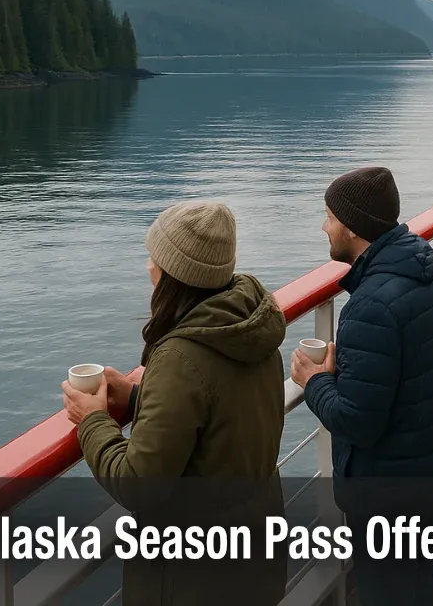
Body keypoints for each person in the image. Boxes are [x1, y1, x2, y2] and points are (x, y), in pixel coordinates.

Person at [61, 200, 288, 606]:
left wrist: (93, 420)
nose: (148, 266)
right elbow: (218, 420)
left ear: (174, 274)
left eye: (154, 258)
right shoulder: (249, 329)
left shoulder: (181, 358)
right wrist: (138, 397)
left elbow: (139, 485)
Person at [289, 166, 433, 606]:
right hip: (430, 473)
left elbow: (357, 420)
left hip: (389, 494)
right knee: (420, 584)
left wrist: (315, 382)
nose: (323, 226)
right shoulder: (431, 277)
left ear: (350, 227)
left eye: (328, 217)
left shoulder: (371, 305)